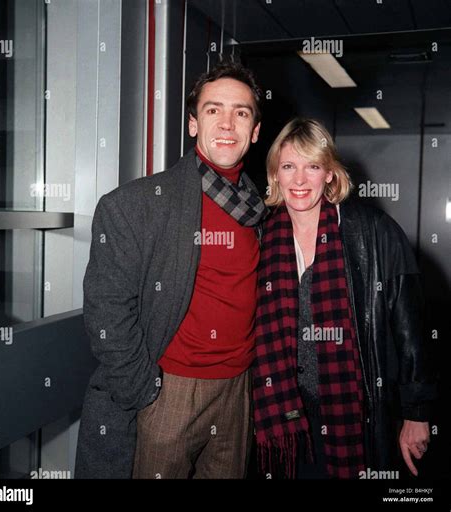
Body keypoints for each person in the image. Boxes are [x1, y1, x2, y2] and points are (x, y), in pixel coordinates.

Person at [75, 61, 268, 479]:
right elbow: (106, 309)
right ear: (193, 124)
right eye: (214, 110)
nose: (227, 124)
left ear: (254, 131)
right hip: (167, 389)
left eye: (241, 112)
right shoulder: (135, 205)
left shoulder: (262, 213)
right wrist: (144, 390)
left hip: (237, 390)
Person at [252, 118, 436, 479]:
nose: (300, 180)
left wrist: (416, 413)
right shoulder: (260, 239)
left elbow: (411, 331)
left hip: (356, 413)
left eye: (313, 166)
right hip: (285, 418)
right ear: (275, 175)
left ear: (331, 175)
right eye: (289, 166)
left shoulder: (375, 232)